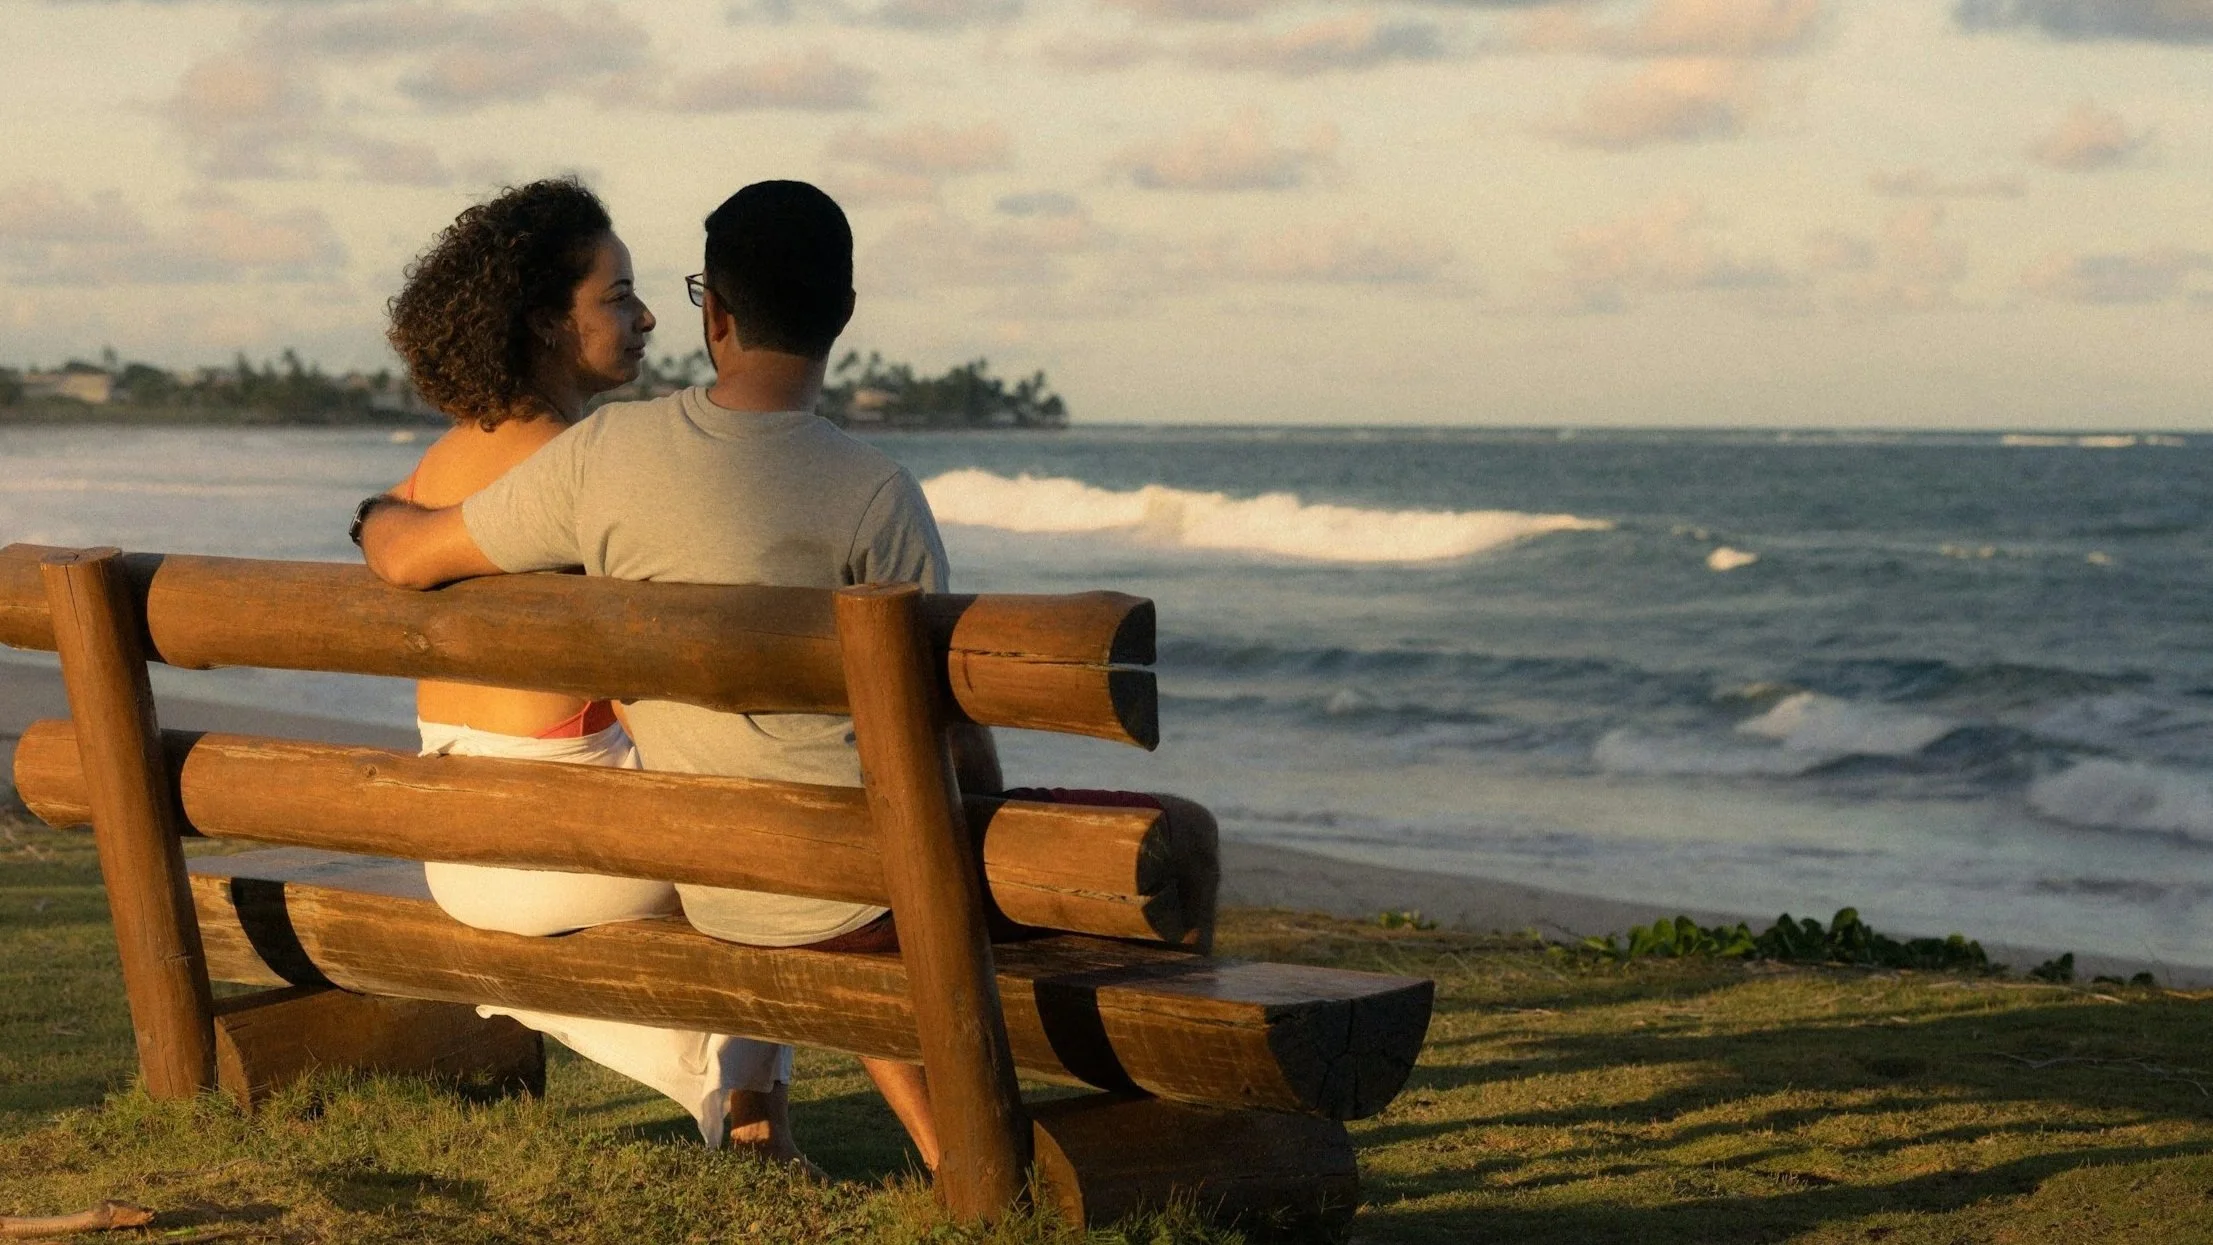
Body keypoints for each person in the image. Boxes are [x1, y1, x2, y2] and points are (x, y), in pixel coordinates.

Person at [355, 179, 953, 1174]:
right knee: (768, 809)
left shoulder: (437, 467)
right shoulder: (590, 460)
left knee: (742, 802)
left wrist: (370, 513)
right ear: (547, 322)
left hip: (451, 840)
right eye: (617, 295)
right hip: (564, 843)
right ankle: (760, 1113)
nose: (641, 319)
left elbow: (399, 550)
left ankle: (749, 1106)